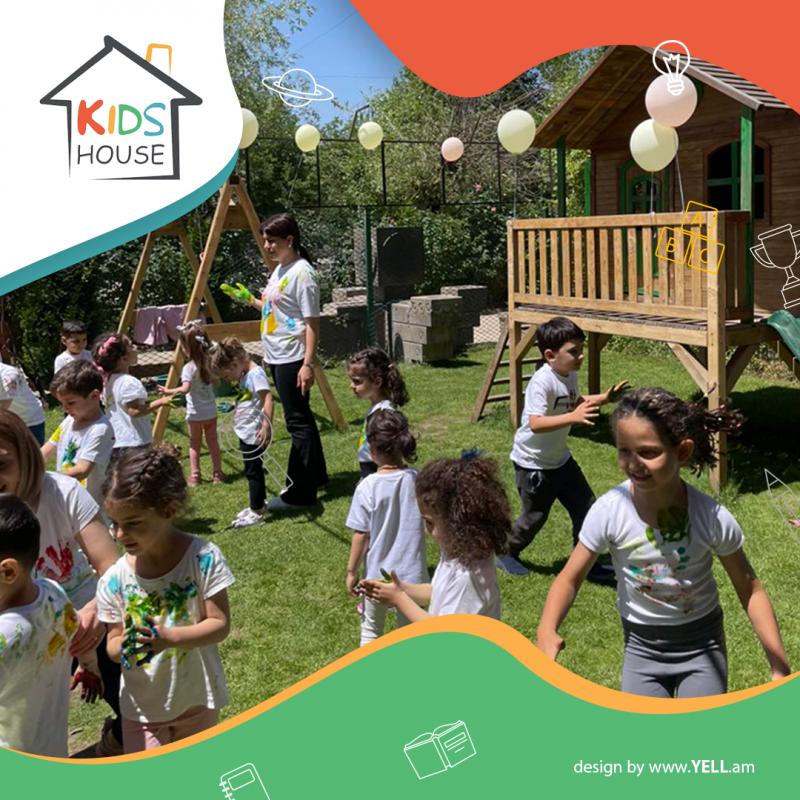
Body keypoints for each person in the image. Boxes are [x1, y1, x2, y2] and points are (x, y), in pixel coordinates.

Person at [536, 387, 791, 698]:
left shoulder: (710, 517)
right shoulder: (608, 512)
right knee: (646, 731)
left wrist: (779, 666)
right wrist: (546, 628)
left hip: (701, 648)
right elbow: (569, 578)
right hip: (641, 649)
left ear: (682, 452)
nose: (634, 463)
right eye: (624, 451)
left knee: (699, 730)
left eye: (648, 452)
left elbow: (750, 589)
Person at [0, 409, 123, 755]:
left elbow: (112, 568)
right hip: (16, 635)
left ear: (26, 455)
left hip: (78, 619)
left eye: (1, 464)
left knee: (140, 706)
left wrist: (97, 611)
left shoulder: (63, 492)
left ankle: (120, 738)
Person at [96, 446, 234, 754]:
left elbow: (220, 624)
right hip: (141, 709)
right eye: (114, 523)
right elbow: (112, 645)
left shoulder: (203, 559)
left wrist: (168, 637)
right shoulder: (115, 580)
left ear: (168, 510)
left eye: (133, 523)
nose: (120, 534)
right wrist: (124, 644)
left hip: (197, 700)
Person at [499, 316, 628, 579]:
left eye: (581, 349)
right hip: (533, 464)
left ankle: (586, 563)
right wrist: (573, 417)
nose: (581, 356)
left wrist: (604, 398)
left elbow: (574, 400)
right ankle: (505, 551)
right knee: (534, 517)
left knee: (587, 507)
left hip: (560, 460)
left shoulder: (568, 374)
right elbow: (535, 423)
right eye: (574, 351)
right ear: (550, 355)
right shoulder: (542, 382)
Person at [221, 213, 327, 510]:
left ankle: (300, 494)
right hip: (277, 354)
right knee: (302, 418)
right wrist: (249, 299)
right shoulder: (281, 269)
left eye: (272, 240)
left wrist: (307, 364)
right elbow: (277, 309)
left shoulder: (303, 274)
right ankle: (317, 477)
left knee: (297, 423)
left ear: (289, 240)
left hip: (293, 356)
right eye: (265, 240)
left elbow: (312, 322)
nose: (266, 246)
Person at [361, 455, 510, 620]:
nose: (426, 530)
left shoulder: (467, 578)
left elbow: (441, 631)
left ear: (457, 523)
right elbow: (437, 592)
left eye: (430, 522)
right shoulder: (457, 553)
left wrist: (399, 599)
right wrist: (402, 589)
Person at [0, 494, 79, 756]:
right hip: (52, 748)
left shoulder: (5, 635)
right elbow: (75, 635)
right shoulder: (54, 593)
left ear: (8, 572)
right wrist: (89, 665)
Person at [345, 409, 426, 645]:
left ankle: (369, 668)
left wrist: (351, 572)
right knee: (412, 635)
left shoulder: (367, 487)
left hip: (375, 578)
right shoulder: (417, 480)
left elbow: (361, 535)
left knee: (371, 630)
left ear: (371, 450)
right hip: (414, 576)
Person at [210, 338, 274, 528]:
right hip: (245, 430)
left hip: (254, 432)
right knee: (251, 470)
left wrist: (266, 425)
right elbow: (248, 395)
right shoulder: (246, 375)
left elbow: (268, 399)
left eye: (227, 375)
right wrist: (235, 404)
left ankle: (257, 511)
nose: (228, 379)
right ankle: (258, 504)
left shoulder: (256, 374)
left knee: (254, 472)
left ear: (235, 364)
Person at [157, 320, 224, 486]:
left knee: (194, 444)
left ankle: (195, 475)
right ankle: (217, 474)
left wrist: (168, 391)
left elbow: (185, 389)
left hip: (195, 414)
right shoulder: (209, 363)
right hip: (211, 412)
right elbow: (217, 383)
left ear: (187, 348)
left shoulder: (188, 368)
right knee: (213, 442)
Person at [42, 360, 115, 505]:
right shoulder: (69, 421)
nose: (65, 409)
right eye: (62, 403)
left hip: (88, 506)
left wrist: (42, 479)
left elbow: (82, 470)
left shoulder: (100, 429)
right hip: (67, 498)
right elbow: (46, 450)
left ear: (94, 396)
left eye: (70, 403)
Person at [92, 332, 169, 459]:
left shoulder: (107, 382)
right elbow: (134, 411)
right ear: (124, 358)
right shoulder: (129, 382)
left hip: (116, 441)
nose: (136, 348)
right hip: (135, 443)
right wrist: (162, 402)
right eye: (131, 346)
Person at [347, 347, 409, 479]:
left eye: (357, 381)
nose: (351, 385)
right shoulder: (376, 407)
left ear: (377, 382)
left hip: (377, 468)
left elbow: (390, 451)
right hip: (370, 466)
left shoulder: (384, 413)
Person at [0, 360, 46, 444]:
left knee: (31, 452)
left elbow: (3, 406)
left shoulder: (10, 374)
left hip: (30, 421)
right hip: (10, 421)